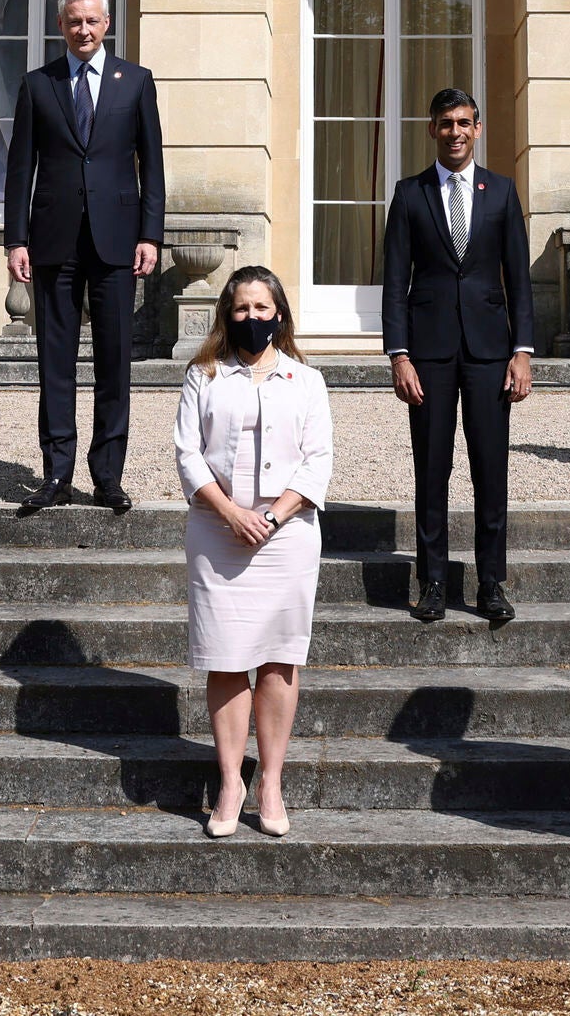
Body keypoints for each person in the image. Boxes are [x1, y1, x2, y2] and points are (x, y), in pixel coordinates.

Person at [176, 265, 332, 839]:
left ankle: (270, 779)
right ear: (227, 314)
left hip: (286, 536)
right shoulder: (203, 374)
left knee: (277, 658)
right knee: (224, 656)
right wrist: (232, 512)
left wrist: (272, 514)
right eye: (242, 309)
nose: (252, 318)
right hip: (219, 532)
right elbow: (188, 455)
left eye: (262, 309)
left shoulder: (306, 380)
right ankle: (229, 780)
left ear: (280, 314)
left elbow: (319, 461)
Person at [3, 0, 166, 513]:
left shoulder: (136, 82)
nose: (84, 29)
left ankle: (107, 477)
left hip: (117, 238)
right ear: (61, 26)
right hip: (52, 241)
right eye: (74, 21)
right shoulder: (37, 84)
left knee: (114, 360)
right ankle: (56, 475)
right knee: (56, 361)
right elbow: (19, 168)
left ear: (108, 23)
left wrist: (151, 233)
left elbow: (153, 166)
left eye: (92, 20)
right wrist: (15, 239)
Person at [380, 86, 535, 625]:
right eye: (446, 123)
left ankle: (492, 583)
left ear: (478, 128)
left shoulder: (502, 192)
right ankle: (434, 581)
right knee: (432, 470)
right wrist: (399, 355)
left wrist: (523, 350)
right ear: (432, 130)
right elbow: (395, 282)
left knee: (491, 471)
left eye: (465, 122)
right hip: (429, 353)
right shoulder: (409, 194)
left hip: (492, 352)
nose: (456, 132)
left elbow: (519, 278)